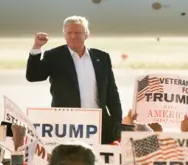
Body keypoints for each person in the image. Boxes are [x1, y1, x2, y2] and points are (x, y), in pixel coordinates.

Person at [26, 15, 123, 144]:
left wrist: (116, 121)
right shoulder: (54, 56)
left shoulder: (102, 57)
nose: (73, 36)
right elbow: (33, 76)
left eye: (77, 32)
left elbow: (112, 92)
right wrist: (37, 48)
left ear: (86, 35)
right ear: (64, 35)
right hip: (68, 125)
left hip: (98, 124)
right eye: (69, 33)